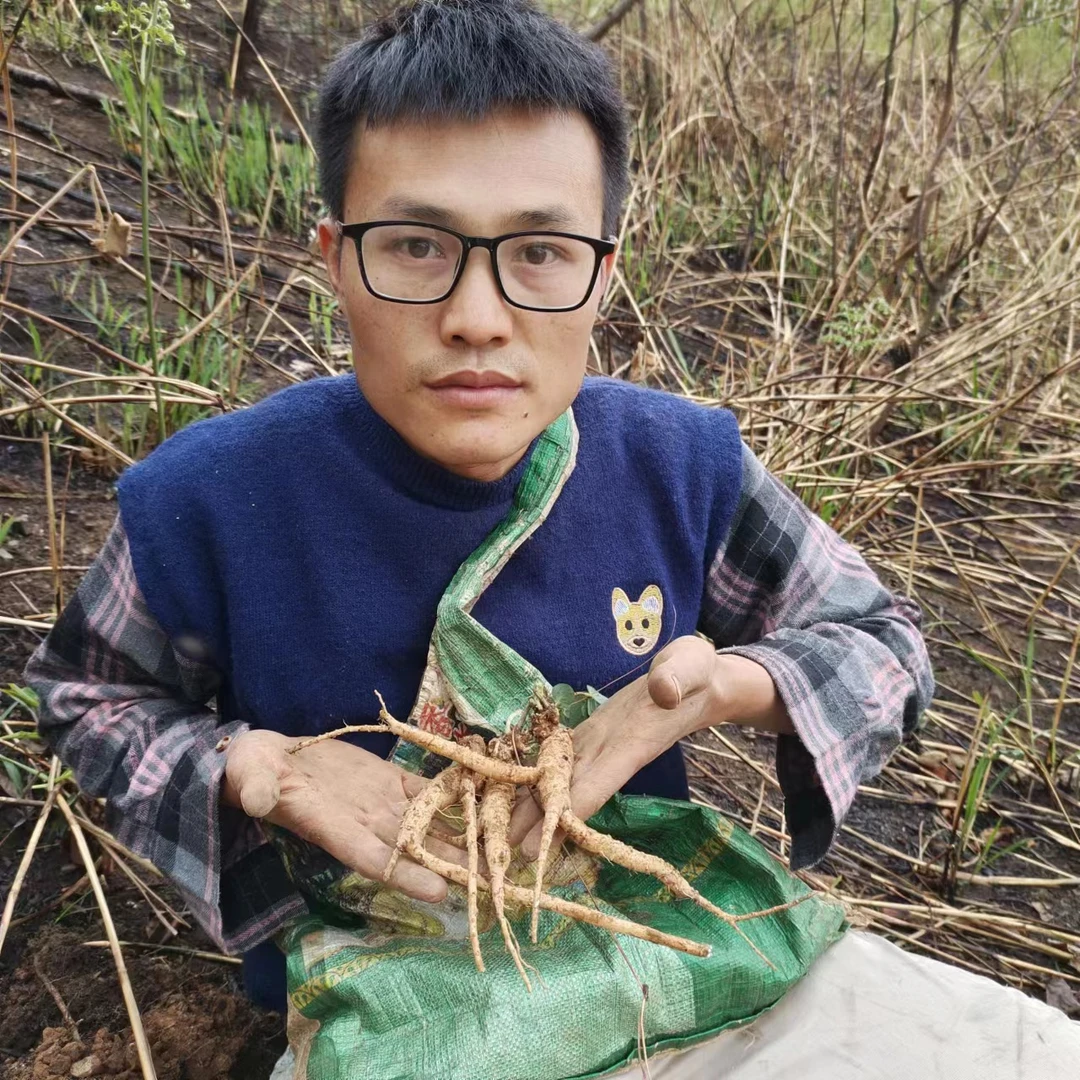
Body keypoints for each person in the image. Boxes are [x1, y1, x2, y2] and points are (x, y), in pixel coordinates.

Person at [23, 2, 1078, 1078]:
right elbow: (85, 697)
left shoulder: (679, 467)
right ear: (335, 259)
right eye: (417, 246)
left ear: (605, 272)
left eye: (539, 252)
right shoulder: (209, 500)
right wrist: (249, 764)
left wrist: (729, 687)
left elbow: (881, 641)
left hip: (669, 961)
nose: (478, 317)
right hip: (388, 1008)